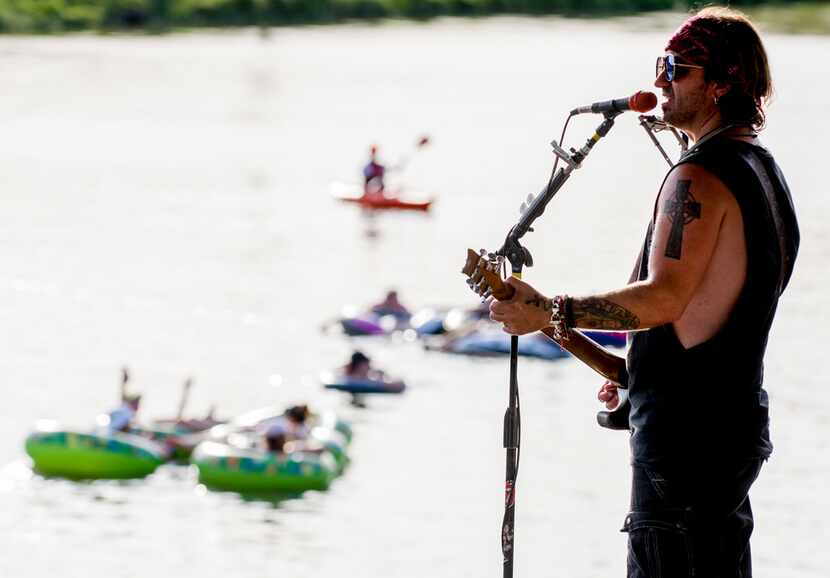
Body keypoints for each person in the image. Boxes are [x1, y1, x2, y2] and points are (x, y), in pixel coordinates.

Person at [489, 7, 799, 577]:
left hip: (683, 459)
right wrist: (548, 322)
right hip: (723, 443)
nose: (659, 80)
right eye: (661, 64)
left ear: (722, 82)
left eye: (675, 67)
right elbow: (690, 338)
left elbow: (662, 298)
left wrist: (548, 306)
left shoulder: (698, 178)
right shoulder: (764, 171)